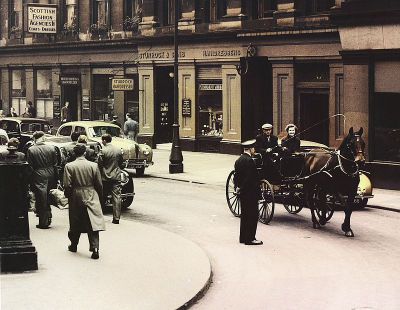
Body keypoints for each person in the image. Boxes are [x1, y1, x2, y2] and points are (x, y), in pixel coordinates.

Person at [63, 143, 105, 260]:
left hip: (76, 194)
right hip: (91, 193)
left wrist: (69, 195)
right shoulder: (93, 165)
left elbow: (67, 184)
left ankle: (74, 245)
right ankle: (95, 248)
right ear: (85, 153)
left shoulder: (69, 166)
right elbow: (99, 184)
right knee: (93, 223)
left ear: (74, 153)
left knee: (75, 221)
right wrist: (99, 197)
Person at [234, 139, 263, 245]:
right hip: (250, 193)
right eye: (253, 148)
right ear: (250, 149)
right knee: (252, 215)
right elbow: (250, 179)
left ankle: (243, 238)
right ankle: (250, 238)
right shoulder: (250, 161)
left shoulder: (239, 160)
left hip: (243, 193)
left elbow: (236, 177)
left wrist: (238, 187)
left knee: (245, 215)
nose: (254, 150)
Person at [27, 131, 58, 229]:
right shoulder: (51, 148)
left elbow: (30, 166)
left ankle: (44, 221)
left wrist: (29, 179)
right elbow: (55, 164)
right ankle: (48, 216)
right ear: (42, 137)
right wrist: (56, 178)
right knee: (47, 196)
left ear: (35, 138)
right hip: (50, 173)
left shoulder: (31, 150)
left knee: (41, 198)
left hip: (38, 174)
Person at [97, 134, 124, 224]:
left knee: (102, 196)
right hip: (116, 176)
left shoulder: (103, 151)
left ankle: (100, 216)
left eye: (102, 140)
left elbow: (99, 164)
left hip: (104, 177)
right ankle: (116, 218)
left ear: (104, 141)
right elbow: (121, 163)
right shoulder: (118, 150)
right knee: (117, 197)